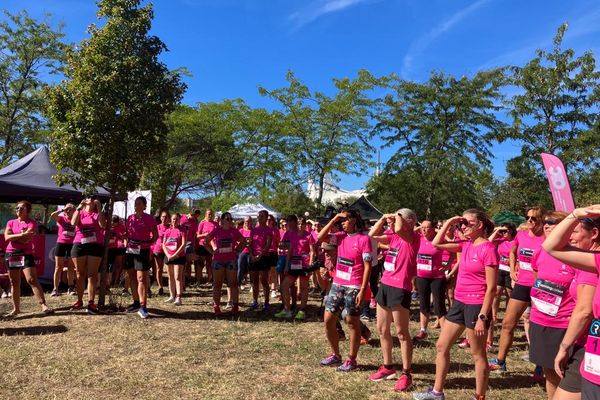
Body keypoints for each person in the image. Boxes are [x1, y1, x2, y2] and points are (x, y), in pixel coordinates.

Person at [413, 209, 497, 400]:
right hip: (459, 303)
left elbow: (491, 288)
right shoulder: (465, 244)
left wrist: (483, 318)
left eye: (466, 223)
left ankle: (479, 396)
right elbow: (436, 243)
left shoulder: (488, 249)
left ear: (480, 225)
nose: (463, 227)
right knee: (442, 346)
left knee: (478, 354)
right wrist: (451, 221)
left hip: (477, 306)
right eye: (462, 223)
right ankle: (437, 392)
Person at [542, 206, 600, 400]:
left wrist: (564, 346)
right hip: (593, 355)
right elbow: (551, 246)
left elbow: (584, 310)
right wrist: (576, 214)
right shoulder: (595, 261)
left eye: (576, 231)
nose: (571, 236)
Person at [367, 210, 420, 391]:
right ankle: (388, 367)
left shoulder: (411, 237)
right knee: (382, 330)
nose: (393, 221)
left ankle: (406, 373)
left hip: (400, 288)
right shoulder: (394, 237)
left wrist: (396, 215)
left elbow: (398, 228)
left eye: (399, 217)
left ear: (410, 221)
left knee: (402, 333)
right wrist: (383, 218)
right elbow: (371, 235)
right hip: (386, 285)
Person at [523, 211, 573, 399]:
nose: (546, 225)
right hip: (540, 319)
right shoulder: (540, 251)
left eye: (552, 222)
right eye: (545, 222)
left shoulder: (576, 255)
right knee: (549, 373)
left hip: (565, 324)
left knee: (567, 375)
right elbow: (538, 281)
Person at [490, 207, 546, 376]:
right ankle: (500, 361)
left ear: (542, 221)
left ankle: (540, 366)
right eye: (528, 217)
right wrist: (513, 269)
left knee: (539, 328)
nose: (529, 221)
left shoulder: (547, 238)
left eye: (533, 219)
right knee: (508, 323)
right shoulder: (521, 236)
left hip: (541, 287)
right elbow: (513, 251)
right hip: (522, 284)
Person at [317, 209, 372, 372]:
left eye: (345, 219)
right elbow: (320, 237)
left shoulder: (364, 239)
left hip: (354, 285)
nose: (342, 223)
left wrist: (363, 290)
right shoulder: (339, 237)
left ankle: (352, 359)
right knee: (328, 320)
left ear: (354, 220)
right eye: (341, 221)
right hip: (338, 283)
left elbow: (368, 266)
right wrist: (334, 218)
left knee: (351, 322)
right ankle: (335, 354)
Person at [3, 200, 52, 316]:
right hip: (11, 254)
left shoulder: (32, 223)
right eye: (17, 208)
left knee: (31, 279)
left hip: (26, 253)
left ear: (28, 211)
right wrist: (21, 235)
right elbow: (6, 237)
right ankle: (16, 309)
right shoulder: (11, 222)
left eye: (21, 208)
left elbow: (27, 239)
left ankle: (43, 305)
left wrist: (14, 237)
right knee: (14, 282)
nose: (18, 210)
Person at [274, 214, 317, 320]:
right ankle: (287, 310)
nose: (300, 225)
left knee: (303, 287)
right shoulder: (293, 235)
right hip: (293, 263)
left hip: (305, 264)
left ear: (305, 225)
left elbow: (312, 251)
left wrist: (310, 265)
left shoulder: (309, 235)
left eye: (302, 224)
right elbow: (290, 251)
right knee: (284, 286)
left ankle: (302, 310)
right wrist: (286, 266)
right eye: (299, 223)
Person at [413, 220, 449, 342]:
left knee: (439, 305)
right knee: (424, 304)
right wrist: (418, 228)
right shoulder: (418, 239)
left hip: (437, 277)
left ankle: (445, 333)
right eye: (422, 227)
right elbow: (406, 235)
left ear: (433, 229)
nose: (424, 230)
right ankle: (423, 330)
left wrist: (448, 265)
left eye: (427, 228)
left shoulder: (440, 240)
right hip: (421, 276)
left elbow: (455, 250)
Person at [203, 212, 245, 315]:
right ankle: (216, 306)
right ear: (221, 220)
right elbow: (205, 242)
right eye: (228, 219)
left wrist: (237, 251)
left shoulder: (234, 231)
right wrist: (212, 251)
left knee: (233, 284)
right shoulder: (217, 230)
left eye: (231, 219)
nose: (230, 221)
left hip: (231, 260)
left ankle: (235, 306)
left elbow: (243, 241)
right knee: (217, 285)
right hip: (218, 261)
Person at [70, 196, 106, 314]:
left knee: (92, 275)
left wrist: (100, 208)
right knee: (79, 274)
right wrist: (78, 209)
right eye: (87, 197)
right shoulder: (80, 212)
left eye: (92, 197)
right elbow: (73, 223)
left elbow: (102, 225)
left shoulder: (97, 214)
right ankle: (79, 300)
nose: (89, 199)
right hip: (79, 244)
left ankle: (91, 303)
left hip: (94, 246)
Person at [124, 196, 158, 319]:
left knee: (141, 278)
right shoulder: (130, 218)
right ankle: (136, 302)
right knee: (131, 275)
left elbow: (155, 235)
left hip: (142, 250)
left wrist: (148, 245)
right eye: (135, 203)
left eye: (139, 203)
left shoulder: (149, 218)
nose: (136, 205)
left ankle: (143, 306)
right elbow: (127, 233)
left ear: (144, 206)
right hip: (130, 249)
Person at [487, 223, 517, 350]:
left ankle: (508, 314)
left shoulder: (515, 241)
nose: (504, 234)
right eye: (502, 231)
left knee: (510, 293)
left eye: (506, 231)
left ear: (511, 232)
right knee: (496, 293)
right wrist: (497, 230)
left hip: (510, 271)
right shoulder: (499, 241)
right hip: (500, 270)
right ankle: (494, 314)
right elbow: (489, 241)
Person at [247, 210, 273, 312]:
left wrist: (260, 255)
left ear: (266, 218)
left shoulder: (268, 230)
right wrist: (251, 255)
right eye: (259, 216)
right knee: (254, 281)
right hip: (253, 257)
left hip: (264, 258)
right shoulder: (254, 230)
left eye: (262, 216)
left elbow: (268, 244)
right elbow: (250, 243)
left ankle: (266, 302)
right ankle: (255, 301)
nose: (260, 218)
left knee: (264, 281)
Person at [50, 204, 76, 296]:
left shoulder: (75, 220)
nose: (68, 211)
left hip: (72, 244)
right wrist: (62, 210)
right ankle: (55, 288)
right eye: (67, 210)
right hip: (61, 243)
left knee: (71, 266)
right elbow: (53, 215)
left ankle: (71, 287)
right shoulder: (62, 219)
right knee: (58, 266)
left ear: (74, 211)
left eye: (70, 209)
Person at [162, 213, 186, 305]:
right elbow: (163, 244)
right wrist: (168, 254)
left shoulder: (182, 230)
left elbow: (183, 244)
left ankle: (178, 297)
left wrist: (175, 255)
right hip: (168, 256)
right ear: (170, 220)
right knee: (170, 277)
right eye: (173, 219)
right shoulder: (167, 231)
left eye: (176, 219)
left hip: (179, 256)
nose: (174, 221)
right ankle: (172, 296)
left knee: (177, 277)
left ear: (179, 220)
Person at [196, 209, 218, 286]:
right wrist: (205, 235)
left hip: (212, 246)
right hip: (203, 245)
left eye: (211, 214)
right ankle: (198, 281)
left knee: (210, 264)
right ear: (205, 214)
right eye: (208, 214)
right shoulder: (202, 223)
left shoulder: (216, 224)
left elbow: (218, 235)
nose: (210, 215)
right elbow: (198, 236)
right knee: (200, 264)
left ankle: (210, 280)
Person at [153, 210, 170, 295]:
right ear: (160, 218)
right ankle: (160, 287)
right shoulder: (157, 227)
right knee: (159, 268)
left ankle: (172, 288)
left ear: (169, 218)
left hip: (169, 250)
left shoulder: (171, 227)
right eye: (163, 216)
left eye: (166, 217)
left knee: (169, 269)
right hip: (158, 249)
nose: (164, 218)